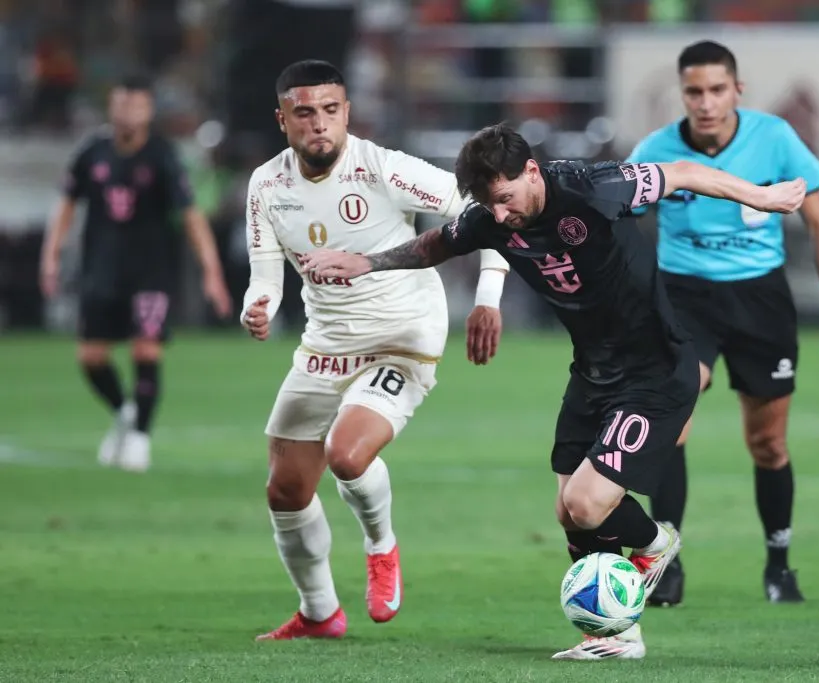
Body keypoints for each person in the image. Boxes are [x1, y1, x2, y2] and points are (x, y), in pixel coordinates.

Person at [300, 122, 806, 659]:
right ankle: (611, 635)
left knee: (587, 504)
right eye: (488, 204)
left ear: (532, 172)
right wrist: (368, 263)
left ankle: (658, 545)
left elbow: (681, 172)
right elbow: (436, 244)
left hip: (654, 371)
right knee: (568, 512)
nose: (499, 215)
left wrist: (761, 197)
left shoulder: (593, 188)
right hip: (592, 373)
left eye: (505, 199)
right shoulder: (491, 218)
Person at [239, 60, 510, 641]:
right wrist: (256, 305)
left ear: (347, 113)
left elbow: (488, 211)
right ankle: (319, 612)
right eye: (304, 113)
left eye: (330, 110)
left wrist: (487, 298)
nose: (319, 124)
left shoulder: (384, 169)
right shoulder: (266, 185)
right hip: (326, 343)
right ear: (283, 120)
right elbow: (265, 274)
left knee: (346, 454)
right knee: (286, 490)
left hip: (401, 337)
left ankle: (381, 546)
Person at [626, 40, 819, 607]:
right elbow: (618, 222)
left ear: (738, 89)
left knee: (768, 443)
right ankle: (665, 564)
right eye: (694, 92)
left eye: (716, 90)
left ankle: (779, 566)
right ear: (682, 94)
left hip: (760, 301)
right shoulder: (656, 151)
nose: (705, 102)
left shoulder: (774, 138)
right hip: (685, 299)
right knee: (673, 424)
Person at [39, 73, 232, 473]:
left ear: (148, 111)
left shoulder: (162, 156)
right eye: (122, 103)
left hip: (150, 272)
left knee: (145, 349)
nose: (129, 112)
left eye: (137, 105)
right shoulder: (92, 152)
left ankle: (140, 437)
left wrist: (211, 271)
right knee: (91, 356)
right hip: (101, 269)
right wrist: (51, 255)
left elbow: (191, 216)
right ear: (112, 106)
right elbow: (66, 204)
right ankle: (124, 411)